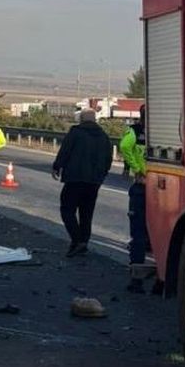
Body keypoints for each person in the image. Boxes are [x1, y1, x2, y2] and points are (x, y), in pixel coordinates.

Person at [52, 108, 113, 256]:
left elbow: (65, 151)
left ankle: (77, 240)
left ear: (81, 119)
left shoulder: (75, 133)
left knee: (67, 209)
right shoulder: (104, 136)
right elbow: (108, 159)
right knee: (86, 213)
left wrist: (57, 166)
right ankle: (83, 242)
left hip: (74, 178)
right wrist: (101, 175)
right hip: (94, 181)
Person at [120, 108, 148, 292]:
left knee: (138, 232)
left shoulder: (135, 131)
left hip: (142, 185)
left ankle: (136, 277)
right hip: (165, 183)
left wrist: (136, 168)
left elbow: (123, 146)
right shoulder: (166, 131)